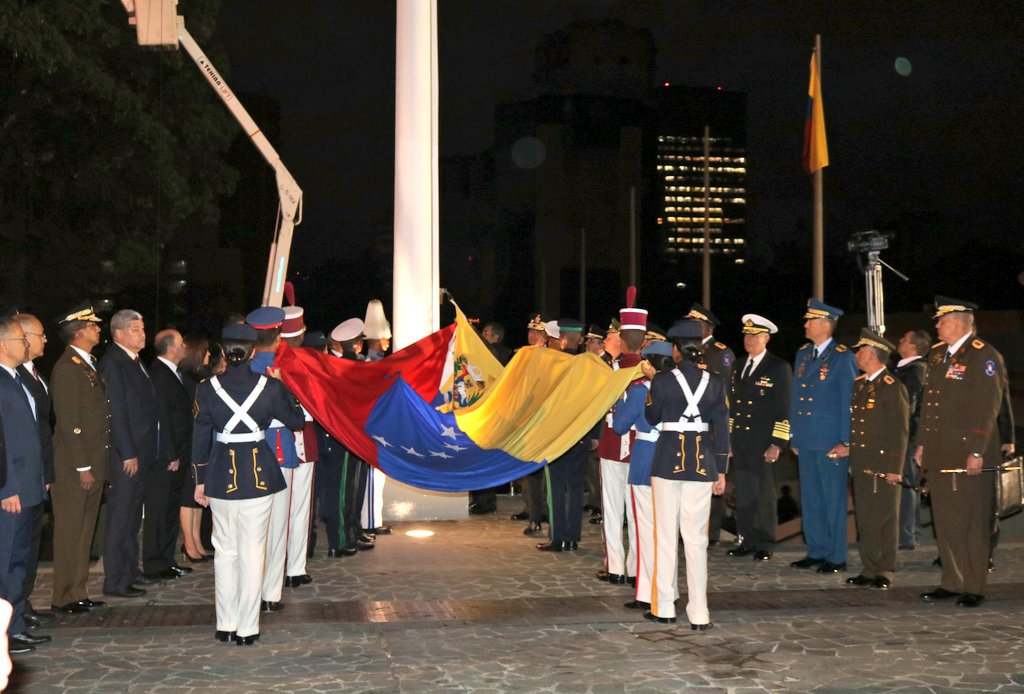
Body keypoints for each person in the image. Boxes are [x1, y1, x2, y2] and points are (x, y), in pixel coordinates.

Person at [192, 322, 304, 645]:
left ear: (225, 353)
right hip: (258, 475)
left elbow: (199, 438)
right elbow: (296, 421)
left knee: (224, 550)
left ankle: (225, 624)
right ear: (254, 351)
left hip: (220, 474)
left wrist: (199, 481)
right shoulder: (270, 387)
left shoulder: (206, 387)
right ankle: (247, 628)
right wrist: (285, 389)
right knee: (253, 551)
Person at [916, 297, 1005, 608]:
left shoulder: (984, 356)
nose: (937, 325)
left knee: (973, 522)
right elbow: (930, 404)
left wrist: (977, 451)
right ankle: (952, 581)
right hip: (940, 452)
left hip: (969, 453)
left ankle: (974, 586)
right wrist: (922, 443)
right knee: (946, 520)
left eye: (942, 320)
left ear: (959, 321)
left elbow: (987, 408)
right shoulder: (938, 354)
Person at [644, 320, 728, 629]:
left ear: (676, 350)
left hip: (667, 462)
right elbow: (722, 428)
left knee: (666, 537)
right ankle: (700, 611)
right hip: (703, 464)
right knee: (696, 540)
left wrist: (654, 385)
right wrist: (722, 470)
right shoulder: (715, 380)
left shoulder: (663, 379)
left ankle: (665, 607)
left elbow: (651, 416)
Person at [48, 303, 110, 615]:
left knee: (85, 531)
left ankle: (78, 590)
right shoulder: (68, 368)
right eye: (93, 326)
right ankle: (62, 596)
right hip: (75, 468)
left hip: (93, 462)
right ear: (79, 332)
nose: (98, 329)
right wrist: (83, 466)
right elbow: (69, 421)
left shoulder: (87, 363)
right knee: (70, 531)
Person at [789, 299, 857, 574]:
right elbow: (796, 397)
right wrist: (794, 434)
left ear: (825, 324)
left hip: (831, 441)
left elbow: (848, 401)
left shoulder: (842, 357)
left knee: (833, 500)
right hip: (807, 438)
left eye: (810, 320)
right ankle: (815, 550)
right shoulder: (803, 354)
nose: (805, 325)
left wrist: (846, 441)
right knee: (812, 498)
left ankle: (836, 555)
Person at [99, 309, 160, 598]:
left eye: (143, 328)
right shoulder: (114, 362)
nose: (142, 334)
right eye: (135, 329)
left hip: (141, 451)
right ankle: (115, 580)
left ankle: (129, 571)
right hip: (127, 455)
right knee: (121, 518)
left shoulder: (134, 361)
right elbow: (116, 412)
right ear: (119, 333)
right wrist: (127, 452)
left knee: (133, 516)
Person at [0, 317, 52, 654]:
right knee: (6, 563)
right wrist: (6, 488)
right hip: (11, 489)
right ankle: (6, 631)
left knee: (19, 562)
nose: (27, 344)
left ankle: (15, 624)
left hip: (30, 484)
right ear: (3, 345)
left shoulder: (18, 378)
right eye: (21, 339)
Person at [846, 329, 909, 590]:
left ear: (872, 354)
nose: (857, 355)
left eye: (860, 350)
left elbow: (900, 430)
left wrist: (895, 467)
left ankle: (885, 568)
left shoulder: (893, 387)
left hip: (884, 465)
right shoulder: (859, 384)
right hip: (862, 463)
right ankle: (869, 566)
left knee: (885, 518)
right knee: (866, 519)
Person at [727, 314, 792, 562]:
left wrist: (777, 443)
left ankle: (765, 541)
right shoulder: (738, 365)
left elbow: (783, 408)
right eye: (746, 335)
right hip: (741, 441)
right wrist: (730, 440)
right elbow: (733, 405)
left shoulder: (778, 367)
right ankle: (747, 539)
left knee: (764, 494)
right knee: (744, 493)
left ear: (766, 338)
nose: (749, 339)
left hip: (764, 441)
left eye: (754, 335)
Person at [614, 340, 672, 611]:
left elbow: (620, 426)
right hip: (670, 461)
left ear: (647, 363)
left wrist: (617, 401)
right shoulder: (677, 389)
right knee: (668, 532)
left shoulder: (640, 393)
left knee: (645, 532)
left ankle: (648, 594)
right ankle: (668, 589)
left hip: (645, 459)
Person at [595, 291, 647, 579]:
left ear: (622, 340)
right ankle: (637, 569)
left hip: (613, 446)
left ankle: (614, 567)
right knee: (637, 513)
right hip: (640, 449)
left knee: (613, 511)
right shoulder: (652, 370)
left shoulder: (608, 369)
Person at [12, 313, 55, 628]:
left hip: (35, 476)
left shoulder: (29, 375)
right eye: (38, 335)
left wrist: (47, 473)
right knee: (13, 556)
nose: (43, 340)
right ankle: (12, 621)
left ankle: (22, 608)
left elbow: (42, 430)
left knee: (27, 553)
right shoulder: (10, 378)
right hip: (16, 481)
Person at [536, 319, 594, 553]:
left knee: (557, 489)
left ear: (561, 340)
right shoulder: (588, 366)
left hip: (558, 437)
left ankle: (557, 537)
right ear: (580, 340)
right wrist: (593, 434)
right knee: (576, 488)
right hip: (580, 435)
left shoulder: (553, 365)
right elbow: (595, 402)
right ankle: (572, 538)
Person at [145, 329, 193, 580]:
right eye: (182, 343)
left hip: (178, 453)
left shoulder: (173, 373)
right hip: (166, 457)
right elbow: (161, 417)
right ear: (171, 348)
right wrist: (170, 453)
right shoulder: (159, 374)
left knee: (170, 508)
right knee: (159, 509)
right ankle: (155, 563)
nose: (185, 347)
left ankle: (166, 559)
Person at [685, 303, 735, 546]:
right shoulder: (690, 350)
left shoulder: (719, 353)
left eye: (694, 324)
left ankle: (710, 532)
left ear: (706, 326)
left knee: (712, 479)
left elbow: (726, 395)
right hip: (691, 425)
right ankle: (691, 528)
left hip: (713, 428)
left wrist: (726, 432)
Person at [278, 304, 318, 588]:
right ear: (301, 334)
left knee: (280, 507)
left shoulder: (267, 358)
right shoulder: (304, 361)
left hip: (275, 441)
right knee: (298, 506)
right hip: (299, 436)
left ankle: (281, 566)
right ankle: (293, 567)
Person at [512, 313, 549, 534]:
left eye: (536, 332)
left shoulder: (553, 357)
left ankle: (544, 513)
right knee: (530, 472)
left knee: (548, 473)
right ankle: (533, 514)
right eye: (530, 331)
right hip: (526, 419)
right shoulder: (521, 355)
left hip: (545, 418)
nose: (531, 335)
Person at [177, 335, 212, 563]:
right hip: (189, 442)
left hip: (200, 441)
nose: (209, 356)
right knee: (188, 495)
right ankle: (188, 543)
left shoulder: (200, 379)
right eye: (206, 352)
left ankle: (197, 540)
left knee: (199, 495)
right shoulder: (188, 380)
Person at [894, 329, 929, 550]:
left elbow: (909, 406)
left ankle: (906, 535)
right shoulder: (903, 369)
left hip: (906, 435)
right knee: (905, 484)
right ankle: (907, 533)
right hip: (903, 435)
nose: (899, 341)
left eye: (904, 339)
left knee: (906, 485)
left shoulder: (915, 371)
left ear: (914, 347)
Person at [360, 300, 392, 536]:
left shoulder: (371, 363)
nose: (388, 343)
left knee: (375, 478)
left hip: (375, 425)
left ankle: (372, 519)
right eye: (386, 339)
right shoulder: (373, 364)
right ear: (378, 340)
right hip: (373, 427)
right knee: (373, 478)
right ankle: (370, 521)